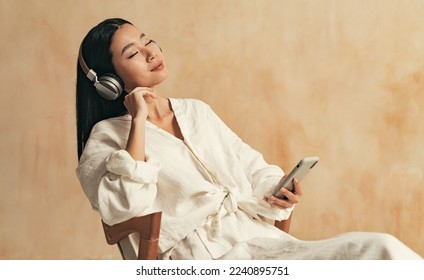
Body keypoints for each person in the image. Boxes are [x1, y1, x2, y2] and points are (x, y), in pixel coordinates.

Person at [75, 18, 421, 260]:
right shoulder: (106, 139)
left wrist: (279, 188)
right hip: (205, 259)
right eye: (133, 53)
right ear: (109, 80)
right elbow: (124, 207)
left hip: (260, 241)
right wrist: (137, 119)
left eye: (148, 40)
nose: (151, 52)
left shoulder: (197, 112)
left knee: (379, 249)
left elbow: (252, 166)